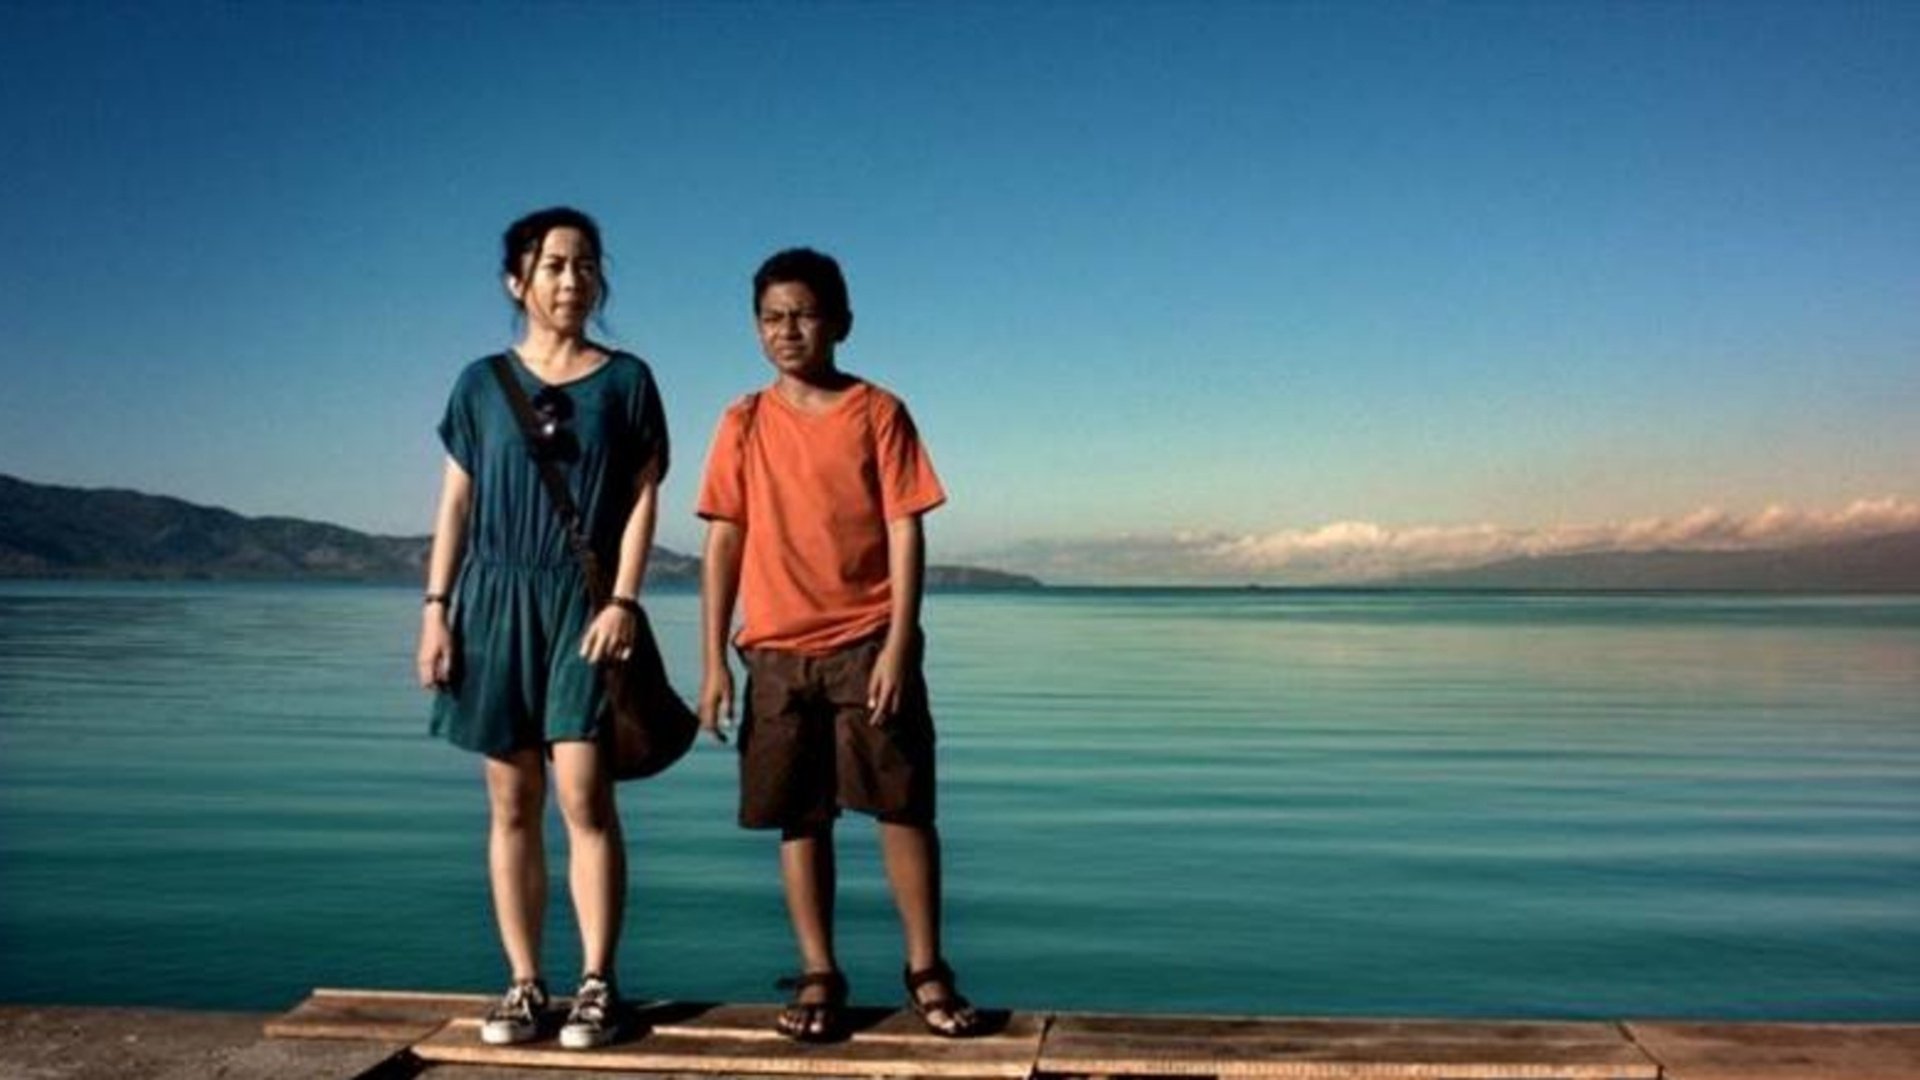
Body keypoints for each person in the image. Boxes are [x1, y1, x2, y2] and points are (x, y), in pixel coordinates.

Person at [695, 247, 981, 1042]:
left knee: (903, 806)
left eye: (804, 314)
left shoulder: (877, 411)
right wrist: (713, 659)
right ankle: (820, 971)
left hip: (867, 639)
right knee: (801, 817)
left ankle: (926, 968)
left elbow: (905, 528)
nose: (787, 330)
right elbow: (724, 540)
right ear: (756, 327)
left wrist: (899, 644)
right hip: (776, 651)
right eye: (771, 317)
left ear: (841, 323)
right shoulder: (742, 421)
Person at [416, 207, 667, 1050]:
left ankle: (598, 983)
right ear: (516, 281)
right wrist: (436, 611)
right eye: (554, 265)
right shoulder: (479, 384)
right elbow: (455, 504)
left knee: (585, 794)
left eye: (586, 264)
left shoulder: (627, 381)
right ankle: (525, 984)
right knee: (510, 800)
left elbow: (643, 499)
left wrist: (624, 601)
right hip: (493, 602)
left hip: (581, 602)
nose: (572, 279)